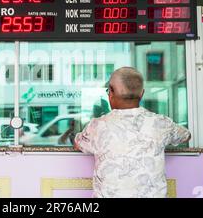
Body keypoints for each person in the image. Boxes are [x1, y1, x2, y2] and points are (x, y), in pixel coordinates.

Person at [74, 67, 191, 198]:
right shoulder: (161, 123)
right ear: (142, 94)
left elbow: (78, 143)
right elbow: (186, 136)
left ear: (111, 92)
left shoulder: (97, 126)